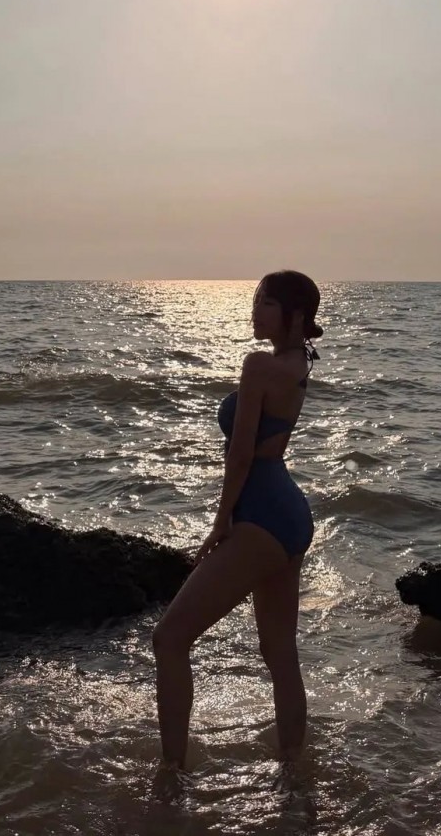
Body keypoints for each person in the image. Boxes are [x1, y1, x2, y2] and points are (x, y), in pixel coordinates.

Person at [153, 270, 321, 769]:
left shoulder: (259, 365)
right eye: (255, 300)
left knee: (169, 639)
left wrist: (221, 519)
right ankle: (294, 772)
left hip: (260, 513)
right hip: (289, 515)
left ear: (293, 315)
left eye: (266, 302)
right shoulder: (296, 364)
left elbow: (242, 453)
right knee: (280, 653)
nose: (255, 310)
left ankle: (171, 773)